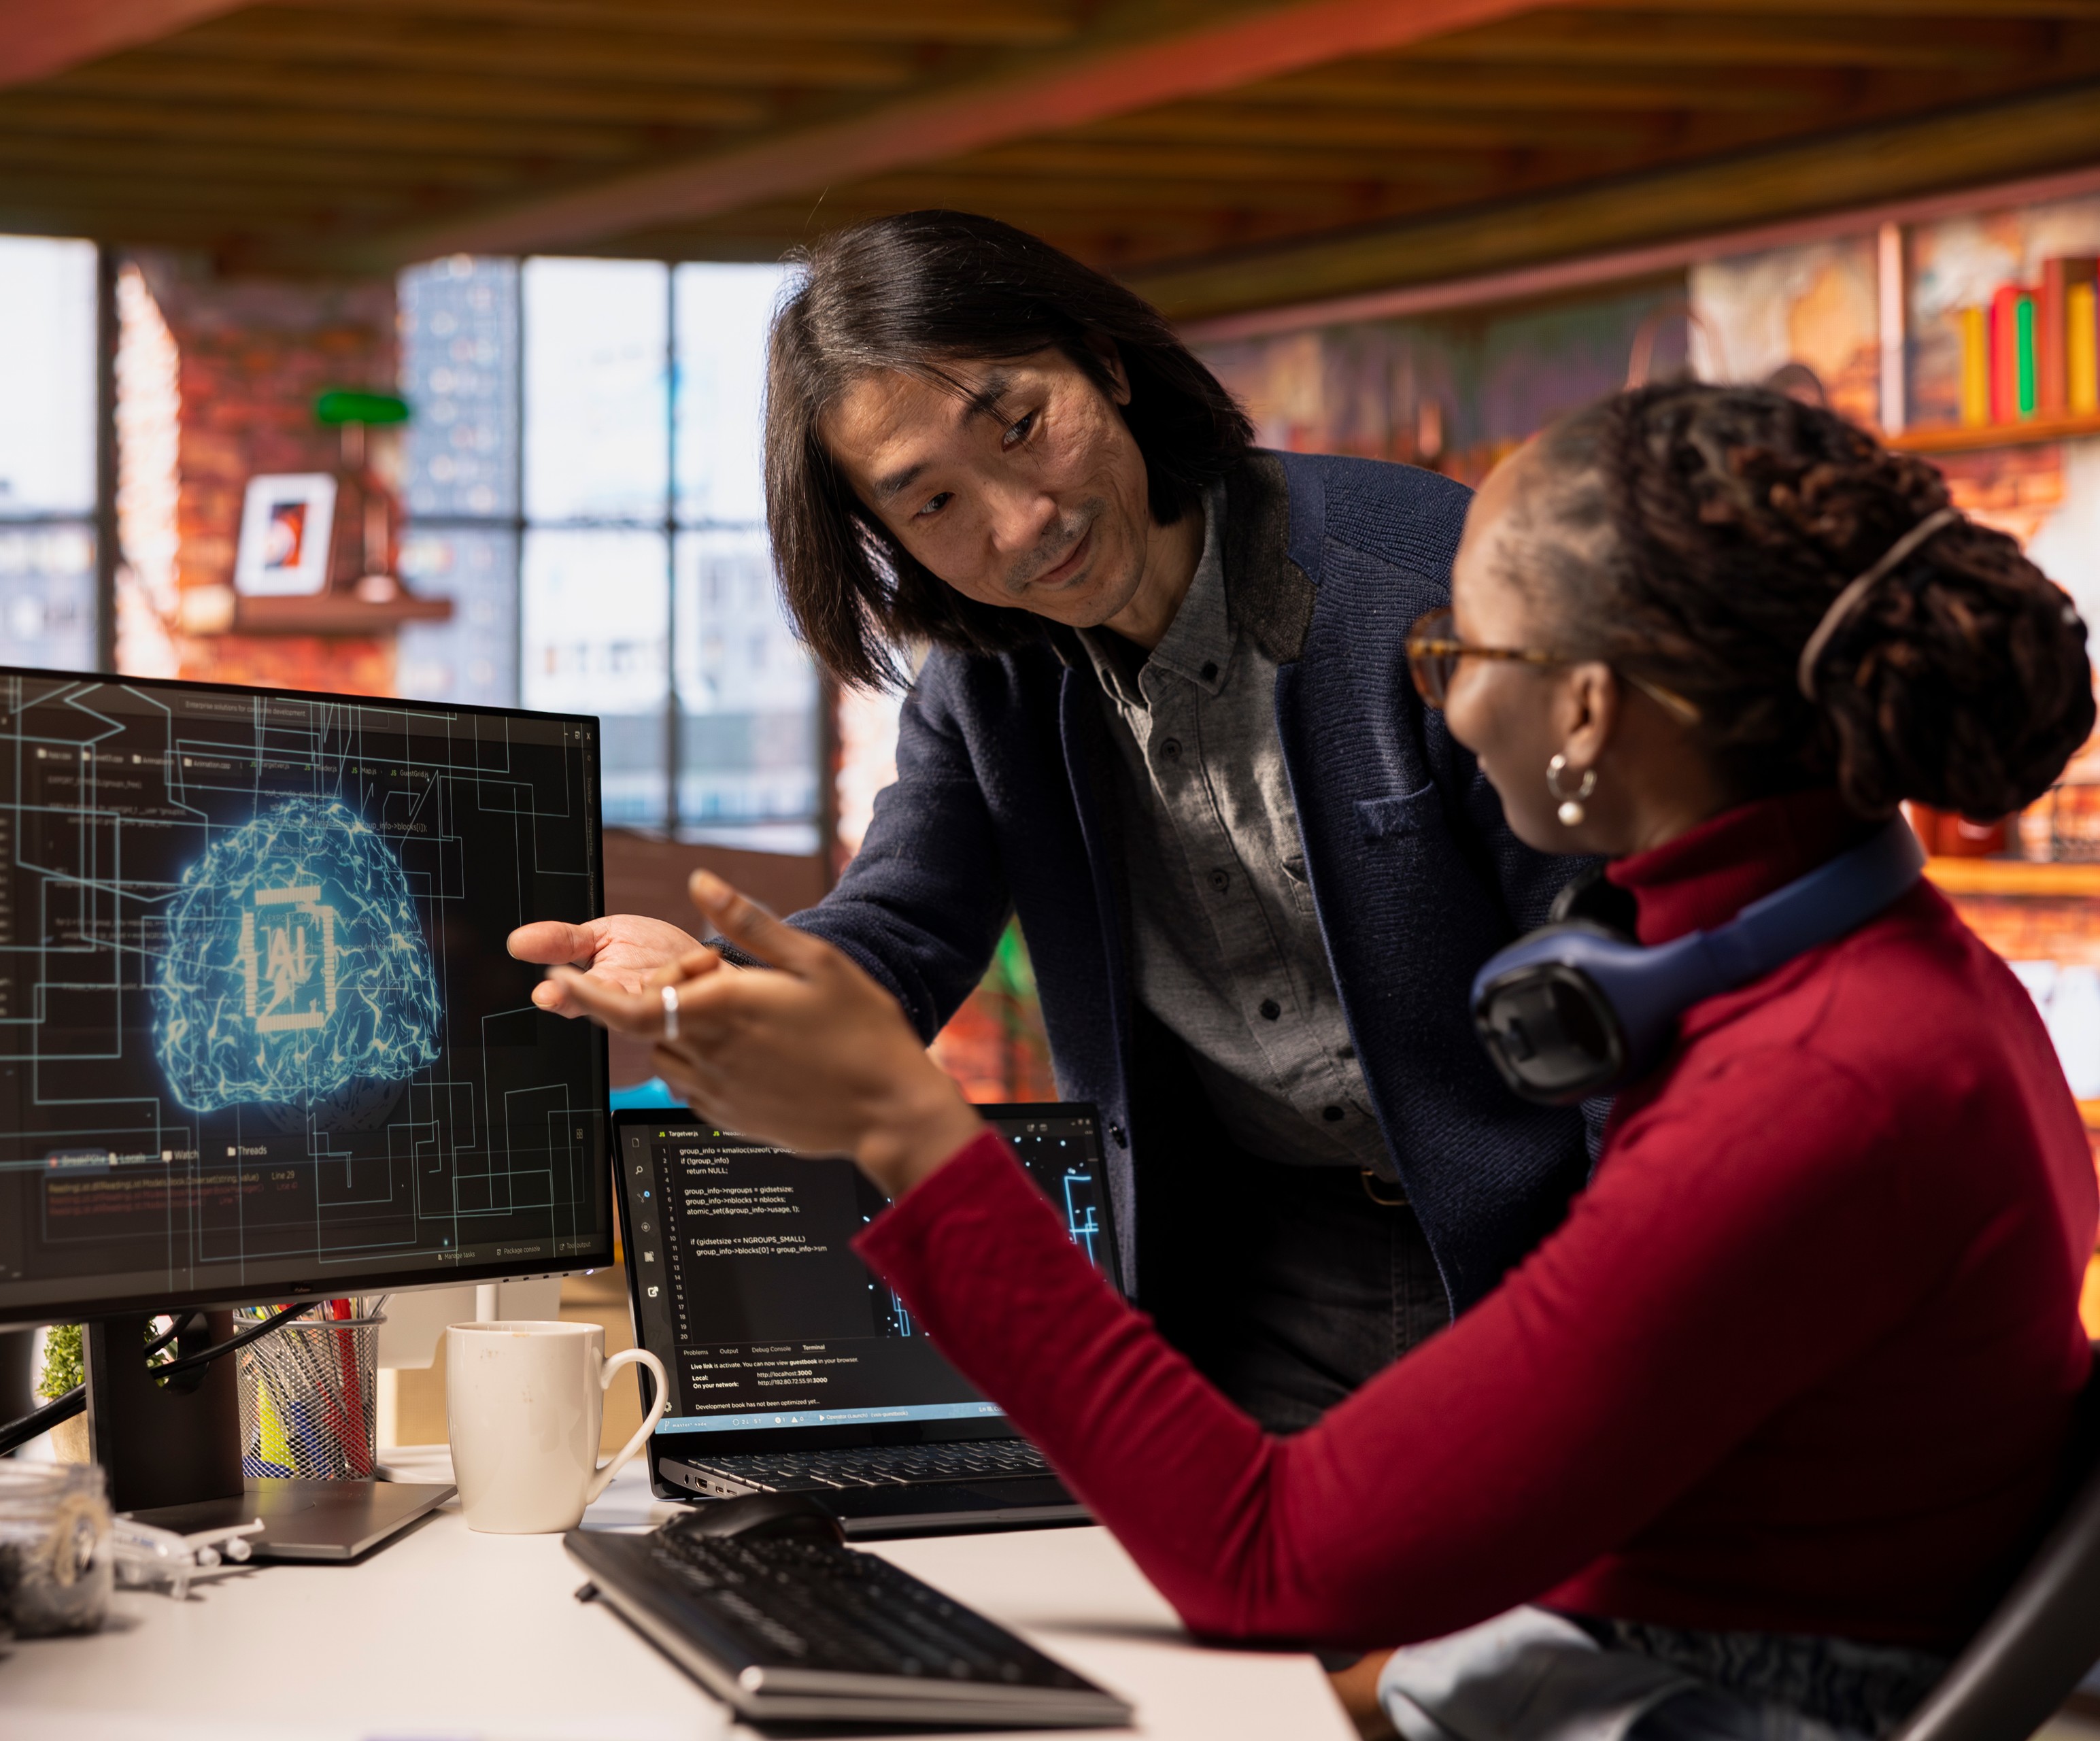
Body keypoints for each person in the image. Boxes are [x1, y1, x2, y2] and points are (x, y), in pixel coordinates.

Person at [547, 382, 2099, 1740]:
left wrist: (908, 1133)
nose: (1436, 698)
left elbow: (1267, 1554)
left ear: (1584, 711)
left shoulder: (1810, 1091)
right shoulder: (1868, 976)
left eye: (1456, 648)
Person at [513, 211, 1595, 1430]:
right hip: (1259, 1278)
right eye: (934, 503)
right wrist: (717, 983)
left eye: (1021, 426)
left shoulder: (1428, 587)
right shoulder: (988, 686)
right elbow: (900, 929)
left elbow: (1621, 969)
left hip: (1546, 1240)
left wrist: (1634, 1315)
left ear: (1105, 363)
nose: (1022, 522)